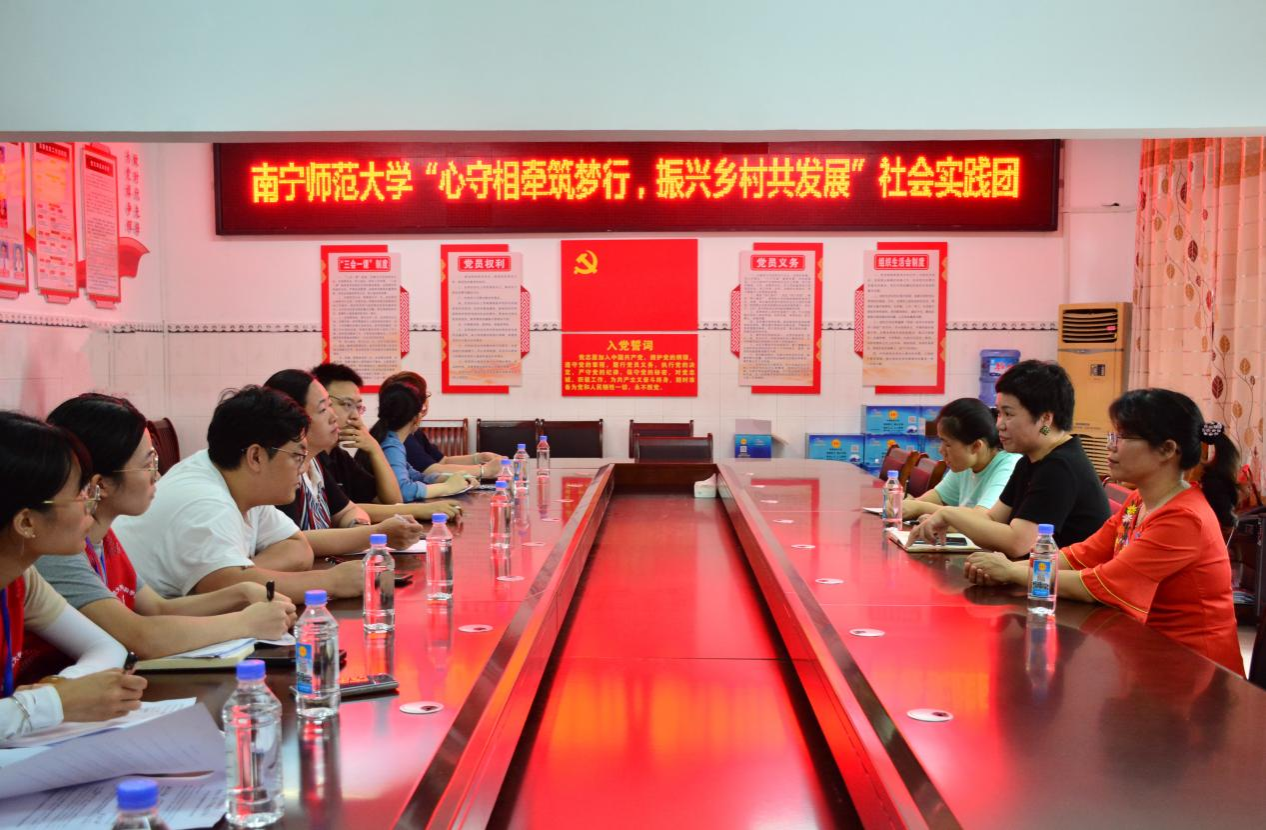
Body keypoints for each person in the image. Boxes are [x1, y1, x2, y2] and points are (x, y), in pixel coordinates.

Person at [965, 388, 1244, 674]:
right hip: (1152, 654)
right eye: (1114, 435)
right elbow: (1082, 555)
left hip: (1196, 670)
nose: (1111, 446)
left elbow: (1102, 584)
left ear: (1167, 450)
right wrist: (1010, 568)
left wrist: (1011, 572)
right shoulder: (1139, 501)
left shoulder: (1184, 518)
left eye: (1123, 437)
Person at [27, 394, 296, 673]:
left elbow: (156, 608)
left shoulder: (104, 537)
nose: (156, 475)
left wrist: (240, 593)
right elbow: (141, 637)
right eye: (148, 464)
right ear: (101, 485)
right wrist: (246, 622)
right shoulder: (57, 550)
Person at [113, 386, 364, 602]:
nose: (302, 468)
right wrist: (331, 582)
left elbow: (298, 549)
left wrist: (242, 573)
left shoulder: (242, 483)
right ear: (256, 456)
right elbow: (226, 587)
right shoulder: (206, 501)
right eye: (297, 456)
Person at [0, 412, 145, 740]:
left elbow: (107, 647)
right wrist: (56, 702)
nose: (91, 505)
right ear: (26, 522)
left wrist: (63, 689)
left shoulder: (21, 578)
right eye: (80, 494)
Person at [910, 360, 1110, 556]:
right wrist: (948, 520)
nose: (999, 425)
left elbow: (1019, 543)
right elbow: (992, 519)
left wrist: (948, 514)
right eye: (998, 413)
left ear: (1045, 419)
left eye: (1008, 414)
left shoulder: (1060, 467)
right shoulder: (1028, 461)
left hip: (1055, 578)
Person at [264, 369, 460, 557]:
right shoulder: (282, 471)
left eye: (358, 407)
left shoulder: (316, 462)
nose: (339, 416)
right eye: (325, 408)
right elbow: (292, 541)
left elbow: (350, 510)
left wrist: (360, 528)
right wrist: (372, 534)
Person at [902, 398, 1020, 519]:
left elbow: (982, 519)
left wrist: (920, 507)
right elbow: (936, 497)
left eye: (947, 444)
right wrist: (909, 504)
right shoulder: (965, 464)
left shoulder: (1010, 466)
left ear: (975, 446)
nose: (941, 450)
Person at [379, 371, 504, 479]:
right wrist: (484, 470)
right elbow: (430, 470)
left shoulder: (411, 431)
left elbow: (443, 461)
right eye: (425, 395)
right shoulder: (399, 437)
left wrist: (480, 458)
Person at [371, 382, 481, 502]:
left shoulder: (390, 438)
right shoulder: (391, 446)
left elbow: (417, 476)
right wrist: (447, 487)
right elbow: (403, 491)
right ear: (416, 418)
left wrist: (449, 478)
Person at [310, 363, 401, 505]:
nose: (355, 416)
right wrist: (423, 509)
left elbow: (393, 501)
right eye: (347, 404)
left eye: (358, 407)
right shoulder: (311, 458)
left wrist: (375, 449)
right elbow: (339, 512)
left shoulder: (340, 457)